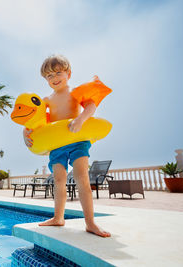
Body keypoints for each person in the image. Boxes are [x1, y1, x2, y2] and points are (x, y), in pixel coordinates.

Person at [24, 54, 111, 237]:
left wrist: (81, 119)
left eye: (58, 73)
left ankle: (90, 223)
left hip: (77, 141)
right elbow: (33, 119)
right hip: (57, 146)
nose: (54, 78)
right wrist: (25, 133)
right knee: (59, 181)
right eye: (49, 76)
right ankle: (58, 217)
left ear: (68, 73)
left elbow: (91, 106)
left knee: (82, 178)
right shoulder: (46, 100)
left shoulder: (75, 92)